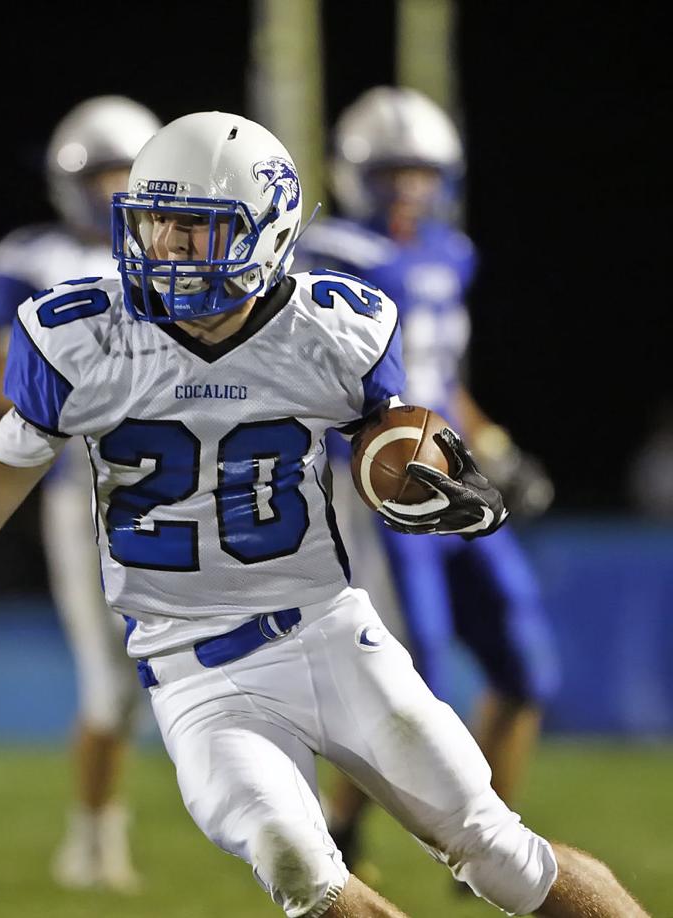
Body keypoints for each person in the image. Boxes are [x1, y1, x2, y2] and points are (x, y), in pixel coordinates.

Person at [0, 111, 649, 916]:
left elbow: (396, 448)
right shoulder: (79, 335)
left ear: (269, 230)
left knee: (497, 851)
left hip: (330, 635)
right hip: (194, 672)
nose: (169, 249)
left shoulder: (335, 329)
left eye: (198, 228)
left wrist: (436, 483)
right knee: (299, 868)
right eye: (156, 224)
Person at [294, 86, 560, 879]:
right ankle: (342, 832)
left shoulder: (450, 253)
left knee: (525, 664)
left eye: (421, 171)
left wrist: (495, 446)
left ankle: (492, 838)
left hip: (459, 478)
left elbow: (445, 379)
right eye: (390, 171)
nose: (409, 187)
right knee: (417, 679)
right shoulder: (330, 250)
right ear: (355, 174)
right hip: (386, 487)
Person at [0, 94, 159, 891]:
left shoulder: (181, 256)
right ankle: (93, 840)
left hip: (176, 491)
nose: (116, 193)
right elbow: (0, 389)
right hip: (81, 494)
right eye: (103, 176)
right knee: (110, 685)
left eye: (129, 175)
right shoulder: (30, 260)